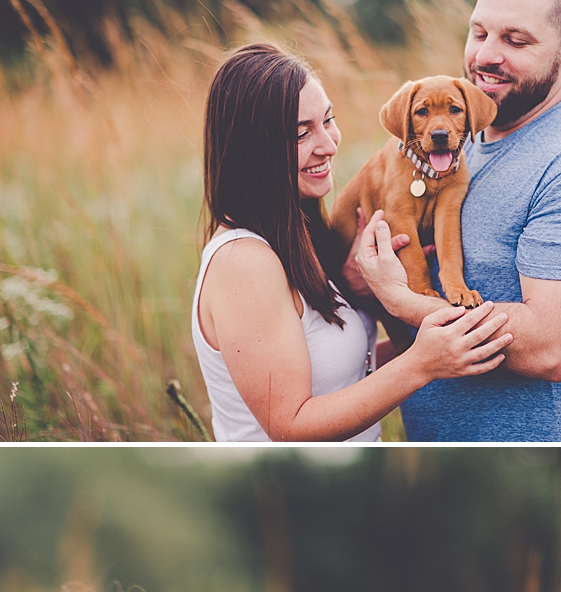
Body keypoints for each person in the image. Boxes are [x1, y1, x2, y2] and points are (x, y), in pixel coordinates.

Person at [347, 0, 561, 441]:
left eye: (515, 39)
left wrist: (399, 298)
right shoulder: (453, 144)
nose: (486, 55)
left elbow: (548, 347)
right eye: (479, 32)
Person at [193, 41, 513, 443]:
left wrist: (357, 292)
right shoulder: (243, 262)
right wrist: (420, 362)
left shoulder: (299, 239)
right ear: (251, 150)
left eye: (328, 120)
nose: (329, 144)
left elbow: (336, 374)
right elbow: (290, 425)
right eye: (300, 133)